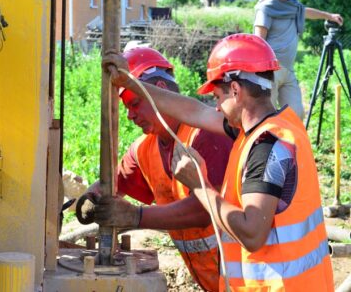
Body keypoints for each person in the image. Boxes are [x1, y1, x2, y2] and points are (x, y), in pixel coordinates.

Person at [102, 34, 334, 291]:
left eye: (217, 97)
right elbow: (194, 111)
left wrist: (198, 183)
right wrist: (132, 83)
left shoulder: (266, 146)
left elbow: (252, 233)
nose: (215, 107)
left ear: (235, 90)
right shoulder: (274, 126)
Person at [76, 47, 234, 292]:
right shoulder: (144, 149)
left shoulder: (206, 136)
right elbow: (113, 183)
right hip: (214, 280)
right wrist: (91, 197)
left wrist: (136, 217)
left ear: (158, 89)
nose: (130, 115)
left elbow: (204, 211)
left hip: (247, 277)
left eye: (135, 103)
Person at [254, 0, 343, 119]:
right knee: (267, 117)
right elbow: (259, 43)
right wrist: (263, 73)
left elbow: (305, 11)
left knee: (296, 115)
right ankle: (267, 139)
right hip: (270, 71)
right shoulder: (266, 8)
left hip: (288, 71)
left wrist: (329, 16)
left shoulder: (292, 5)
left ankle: (286, 139)